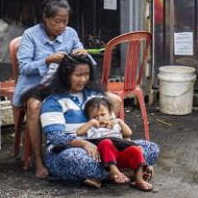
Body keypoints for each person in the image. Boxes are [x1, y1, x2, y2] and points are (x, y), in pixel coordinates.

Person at [11, 0, 120, 178]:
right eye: (57, 22)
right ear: (45, 18)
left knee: (114, 100)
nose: (62, 26)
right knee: (34, 106)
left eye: (65, 21)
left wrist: (83, 54)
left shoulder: (70, 34)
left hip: (66, 84)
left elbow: (88, 66)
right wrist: (47, 60)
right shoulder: (30, 35)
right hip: (38, 86)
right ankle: (38, 159)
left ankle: (100, 145)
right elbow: (25, 68)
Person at [41, 54, 159, 190]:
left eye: (86, 75)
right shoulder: (53, 102)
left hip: (107, 147)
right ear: (65, 76)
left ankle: (104, 175)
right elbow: (56, 138)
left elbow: (111, 123)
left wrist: (126, 142)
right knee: (75, 159)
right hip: (70, 150)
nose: (83, 79)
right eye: (78, 75)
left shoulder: (94, 95)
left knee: (150, 148)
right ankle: (132, 172)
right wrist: (83, 143)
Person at [76, 97, 153, 191]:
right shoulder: (91, 127)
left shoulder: (115, 125)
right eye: (95, 117)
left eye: (103, 114)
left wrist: (120, 122)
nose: (99, 118)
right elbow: (79, 132)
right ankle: (114, 171)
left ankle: (139, 179)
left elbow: (128, 133)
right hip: (103, 158)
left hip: (119, 156)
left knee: (135, 149)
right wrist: (91, 123)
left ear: (110, 114)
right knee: (106, 142)